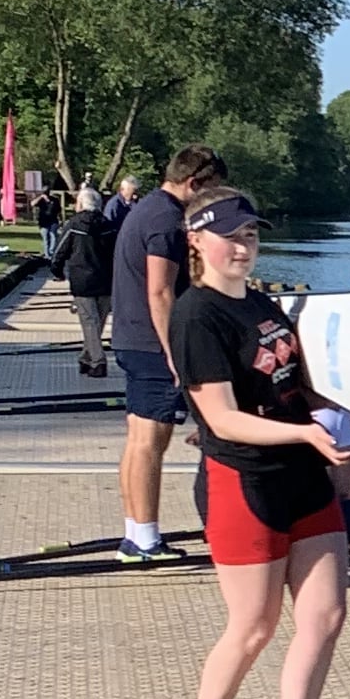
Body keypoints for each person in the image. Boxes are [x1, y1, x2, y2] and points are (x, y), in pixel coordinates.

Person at [167, 190, 350, 699]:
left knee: (325, 615)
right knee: (254, 625)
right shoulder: (196, 316)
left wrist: (346, 416)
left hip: (304, 475)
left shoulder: (260, 303)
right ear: (196, 241)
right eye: (230, 236)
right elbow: (222, 419)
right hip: (244, 482)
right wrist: (304, 433)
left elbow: (296, 383)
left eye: (251, 236)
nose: (243, 247)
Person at [109, 149, 224, 563]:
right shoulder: (166, 220)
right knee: (150, 443)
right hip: (152, 344)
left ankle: (135, 532)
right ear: (193, 183)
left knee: (138, 440)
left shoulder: (146, 209)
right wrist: (175, 350)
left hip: (131, 337)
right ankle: (145, 541)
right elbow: (160, 290)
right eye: (210, 191)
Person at [57, 176, 116, 374]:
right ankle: (86, 357)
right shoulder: (109, 226)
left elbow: (60, 250)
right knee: (97, 322)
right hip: (106, 279)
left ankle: (98, 361)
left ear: (80, 204)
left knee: (90, 322)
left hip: (82, 280)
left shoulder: (74, 225)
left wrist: (57, 270)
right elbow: (117, 253)